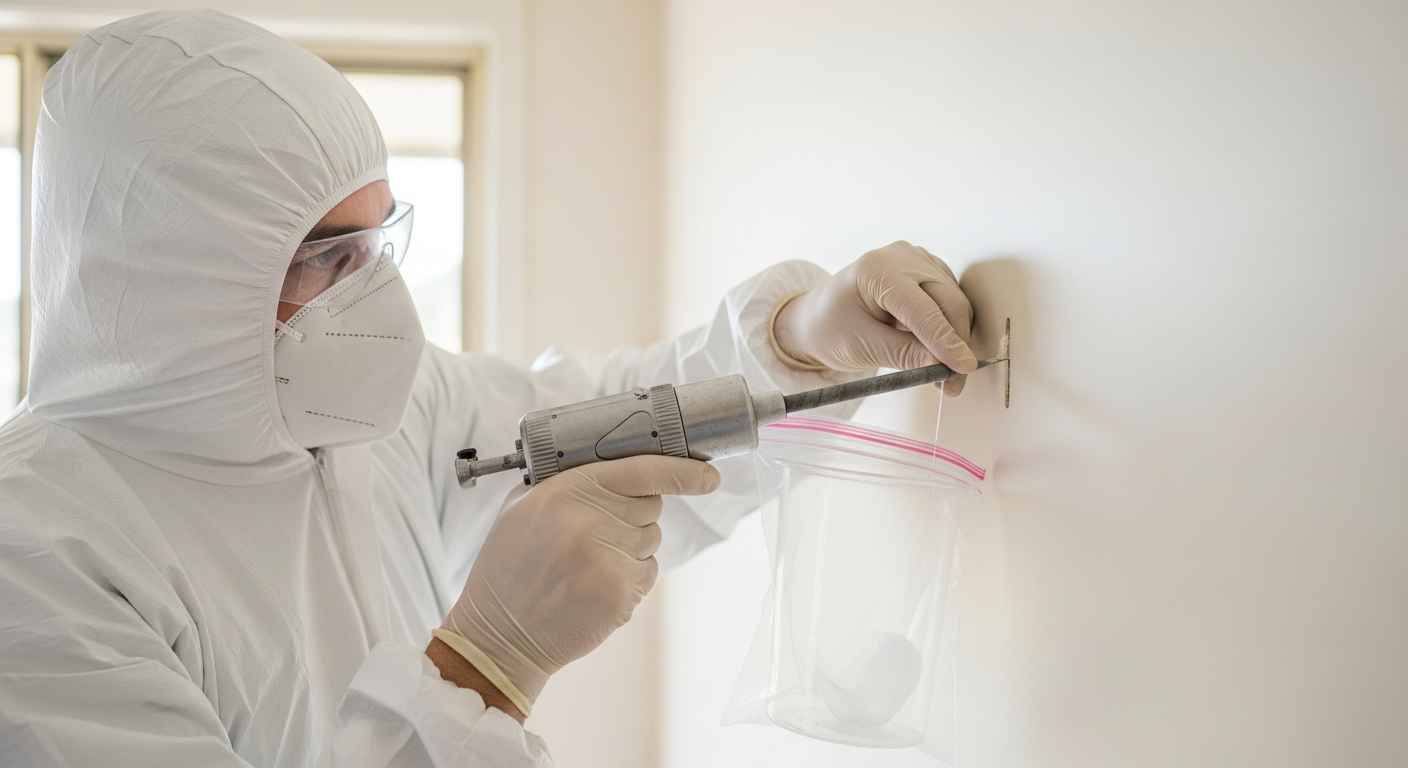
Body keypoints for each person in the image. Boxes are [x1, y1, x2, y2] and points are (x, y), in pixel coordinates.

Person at [0, 10, 977, 768]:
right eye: (326, 258)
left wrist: (800, 341)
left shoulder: (359, 409)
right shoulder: (39, 554)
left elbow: (608, 425)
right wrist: (481, 671)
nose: (375, 293)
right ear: (173, 287)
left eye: (380, 240)